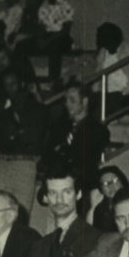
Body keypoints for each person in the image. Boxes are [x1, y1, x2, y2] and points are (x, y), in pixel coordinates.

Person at [15, 164, 101, 257]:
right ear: (45, 198)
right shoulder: (40, 245)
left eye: (66, 192)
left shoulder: (94, 238)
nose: (59, 199)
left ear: (79, 194)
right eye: (53, 193)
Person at [43, 83, 110, 211]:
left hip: (83, 189)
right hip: (59, 185)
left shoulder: (98, 130)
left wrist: (62, 151)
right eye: (66, 100)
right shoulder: (60, 127)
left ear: (84, 101)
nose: (67, 104)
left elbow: (82, 157)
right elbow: (47, 154)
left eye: (72, 100)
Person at [35, 0, 75, 87]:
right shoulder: (42, 8)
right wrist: (40, 40)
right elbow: (41, 28)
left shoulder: (65, 5)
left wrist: (47, 42)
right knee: (23, 45)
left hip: (62, 37)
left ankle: (54, 80)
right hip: (48, 36)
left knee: (54, 46)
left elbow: (65, 31)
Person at [93, 21, 129, 101]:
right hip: (107, 96)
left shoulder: (127, 49)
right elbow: (97, 76)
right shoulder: (102, 52)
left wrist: (122, 94)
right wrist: (95, 93)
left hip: (126, 94)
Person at [92, 166, 129, 233]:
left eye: (114, 181)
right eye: (105, 184)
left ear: (122, 181)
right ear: (101, 189)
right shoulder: (100, 209)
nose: (111, 186)